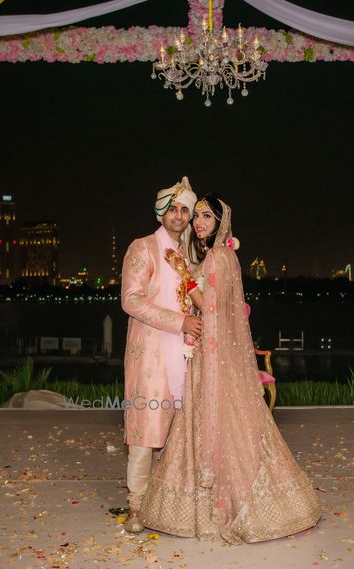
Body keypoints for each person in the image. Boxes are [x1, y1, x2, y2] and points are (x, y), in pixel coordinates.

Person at [140, 194, 323, 544]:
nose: (198, 223)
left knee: (221, 424)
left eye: (207, 216)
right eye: (197, 216)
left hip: (212, 355)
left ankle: (229, 505)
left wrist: (184, 275)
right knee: (223, 423)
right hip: (211, 352)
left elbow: (210, 306)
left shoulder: (218, 257)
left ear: (221, 222)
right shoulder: (221, 255)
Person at [120, 177, 201, 533]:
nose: (179, 215)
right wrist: (180, 321)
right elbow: (131, 300)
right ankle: (137, 507)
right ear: (161, 212)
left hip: (187, 354)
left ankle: (173, 504)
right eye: (173, 209)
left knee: (183, 433)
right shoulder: (143, 248)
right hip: (151, 354)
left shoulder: (190, 255)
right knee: (145, 432)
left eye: (185, 209)